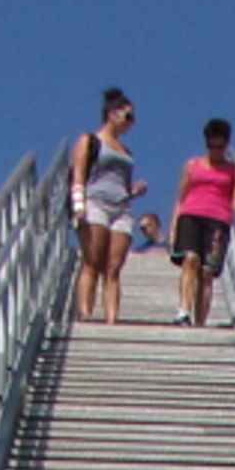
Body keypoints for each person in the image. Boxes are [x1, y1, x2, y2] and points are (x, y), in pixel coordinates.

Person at [59, 88, 140, 322]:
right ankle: (84, 312)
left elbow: (122, 184)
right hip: (95, 203)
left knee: (113, 268)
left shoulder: (126, 152)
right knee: (92, 261)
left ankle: (112, 319)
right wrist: (78, 205)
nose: (130, 122)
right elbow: (79, 174)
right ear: (112, 114)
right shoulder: (89, 141)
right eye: (128, 116)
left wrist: (133, 191)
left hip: (121, 208)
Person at [171, 118, 235, 327]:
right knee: (190, 260)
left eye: (220, 146)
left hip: (218, 220)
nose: (216, 151)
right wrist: (173, 225)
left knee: (207, 271)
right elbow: (181, 197)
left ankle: (200, 321)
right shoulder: (192, 165)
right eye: (212, 146)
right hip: (191, 214)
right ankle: (183, 311)